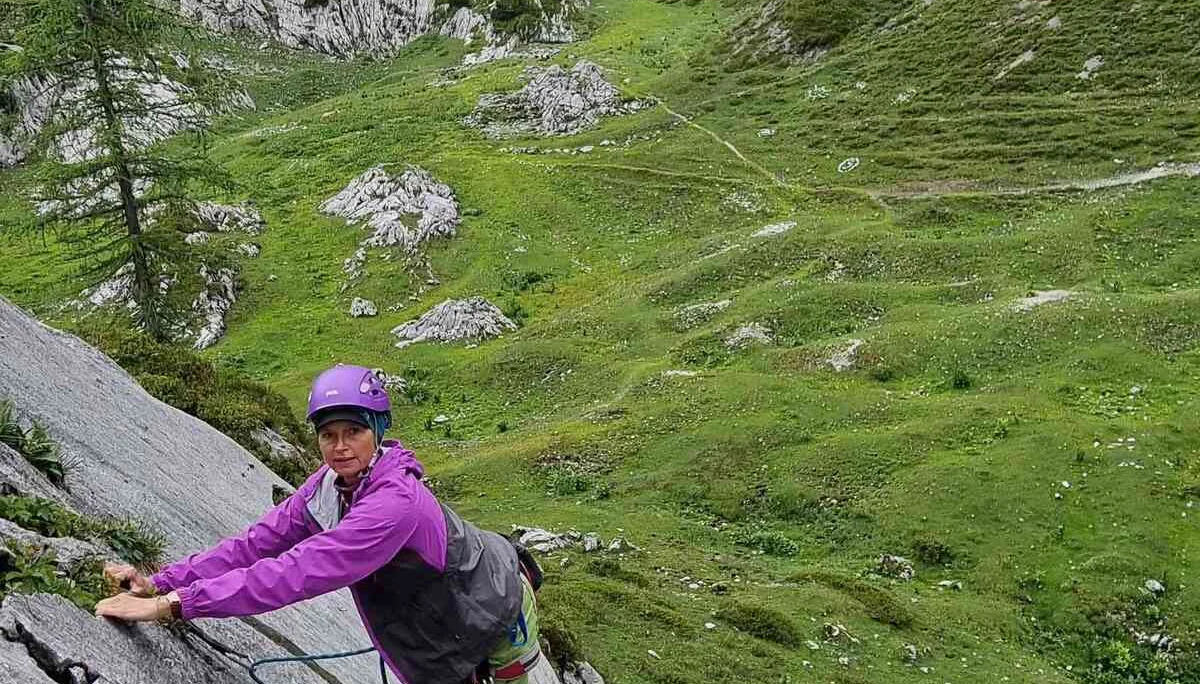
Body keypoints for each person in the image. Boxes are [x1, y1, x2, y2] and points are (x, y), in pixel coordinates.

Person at [95, 364, 558, 684]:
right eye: (328, 434)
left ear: (377, 431)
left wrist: (175, 606)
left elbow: (297, 572)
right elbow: (258, 544)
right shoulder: (330, 486)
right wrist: (161, 583)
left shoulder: (394, 505)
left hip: (495, 607)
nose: (339, 446)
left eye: (354, 431)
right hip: (440, 617)